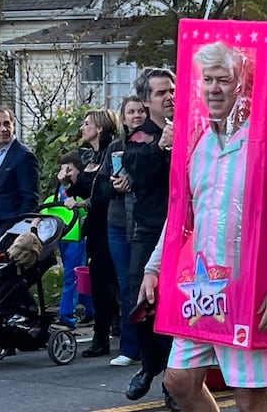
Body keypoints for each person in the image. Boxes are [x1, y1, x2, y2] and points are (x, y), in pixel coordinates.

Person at [135, 41, 267, 412]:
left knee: (249, 397)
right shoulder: (196, 139)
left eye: (224, 80)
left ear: (242, 85)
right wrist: (154, 268)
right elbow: (182, 213)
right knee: (179, 382)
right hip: (199, 288)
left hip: (251, 290)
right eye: (207, 80)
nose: (213, 88)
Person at [122, 68, 177, 402]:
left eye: (171, 90)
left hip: (185, 229)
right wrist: (161, 146)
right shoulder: (140, 136)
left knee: (176, 307)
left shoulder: (191, 126)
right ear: (145, 101)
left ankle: (173, 382)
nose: (169, 96)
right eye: (160, 93)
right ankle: (150, 363)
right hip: (150, 229)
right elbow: (137, 171)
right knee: (139, 301)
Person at [57, 109, 120, 358]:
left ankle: (107, 335)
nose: (82, 128)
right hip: (95, 228)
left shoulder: (110, 153)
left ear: (100, 128)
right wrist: (67, 183)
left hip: (109, 225)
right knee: (101, 283)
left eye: (87, 124)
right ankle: (103, 335)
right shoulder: (90, 157)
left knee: (111, 282)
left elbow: (104, 194)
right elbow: (82, 191)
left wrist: (83, 203)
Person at [105, 95, 146, 367]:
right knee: (125, 284)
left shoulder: (154, 145)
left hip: (144, 224)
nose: (136, 116)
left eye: (140, 111)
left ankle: (147, 344)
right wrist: (114, 185)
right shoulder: (115, 148)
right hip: (118, 223)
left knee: (142, 284)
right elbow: (102, 189)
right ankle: (129, 347)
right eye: (130, 112)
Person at [48, 151, 95, 330]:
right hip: (63, 237)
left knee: (72, 277)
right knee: (77, 277)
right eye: (63, 169)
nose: (65, 173)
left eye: (70, 169)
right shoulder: (61, 189)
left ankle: (67, 316)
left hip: (77, 238)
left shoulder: (82, 189)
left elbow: (85, 209)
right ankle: (91, 310)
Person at [0, 105, 40, 244]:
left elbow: (30, 198)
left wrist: (18, 230)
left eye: (7, 123)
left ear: (13, 124)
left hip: (12, 232)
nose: (3, 129)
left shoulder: (24, 156)